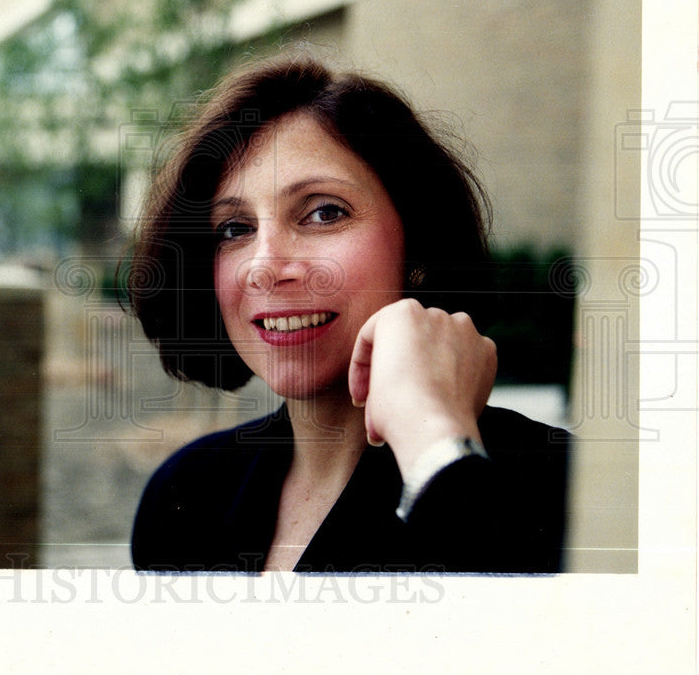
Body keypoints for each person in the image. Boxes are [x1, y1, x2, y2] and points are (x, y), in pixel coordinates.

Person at [127, 57, 570, 574]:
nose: (265, 267)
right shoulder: (183, 496)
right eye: (234, 229)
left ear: (420, 248)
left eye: (324, 212)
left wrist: (435, 446)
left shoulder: (565, 489)